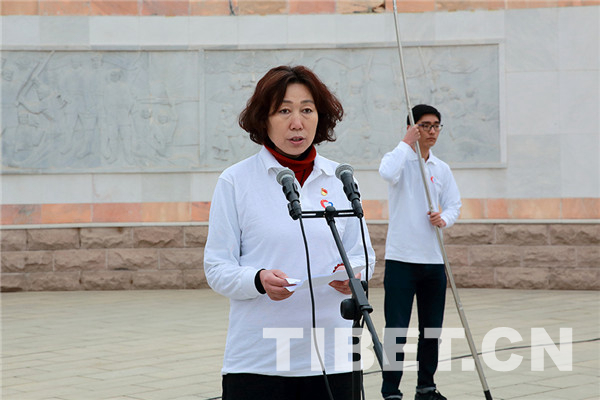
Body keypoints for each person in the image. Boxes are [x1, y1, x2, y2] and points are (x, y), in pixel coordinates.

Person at [204, 65, 376, 400]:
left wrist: (352, 274)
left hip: (334, 358)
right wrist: (258, 280)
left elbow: (363, 255)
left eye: (307, 110)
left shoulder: (340, 178)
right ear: (263, 119)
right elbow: (217, 267)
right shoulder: (236, 181)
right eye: (284, 111)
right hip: (260, 361)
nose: (297, 123)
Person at [379, 104, 461, 400]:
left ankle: (426, 386)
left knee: (431, 329)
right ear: (413, 128)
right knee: (396, 329)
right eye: (425, 125)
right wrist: (406, 142)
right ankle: (391, 390)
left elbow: (454, 205)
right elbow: (386, 173)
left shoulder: (441, 168)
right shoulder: (400, 161)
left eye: (436, 125)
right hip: (401, 260)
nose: (432, 131)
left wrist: (444, 218)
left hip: (433, 262)